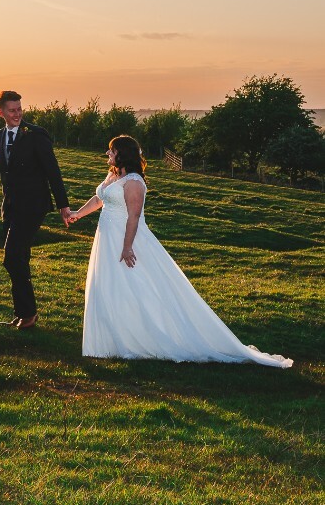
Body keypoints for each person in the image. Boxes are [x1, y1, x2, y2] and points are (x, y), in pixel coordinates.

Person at [67, 135, 293, 367]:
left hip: (126, 240)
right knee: (108, 287)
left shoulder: (134, 182)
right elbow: (99, 199)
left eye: (111, 151)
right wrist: (77, 213)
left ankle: (142, 338)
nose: (107, 154)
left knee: (136, 287)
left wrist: (126, 247)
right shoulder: (114, 174)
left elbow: (134, 217)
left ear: (122, 154)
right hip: (106, 240)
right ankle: (111, 341)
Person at [0, 90, 71, 330]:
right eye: (12, 110)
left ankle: (28, 313)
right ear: (1, 112)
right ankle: (23, 314)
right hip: (11, 207)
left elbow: (52, 171)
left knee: (12, 257)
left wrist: (63, 206)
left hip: (34, 206)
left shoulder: (36, 135)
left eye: (19, 109)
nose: (17, 114)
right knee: (19, 258)